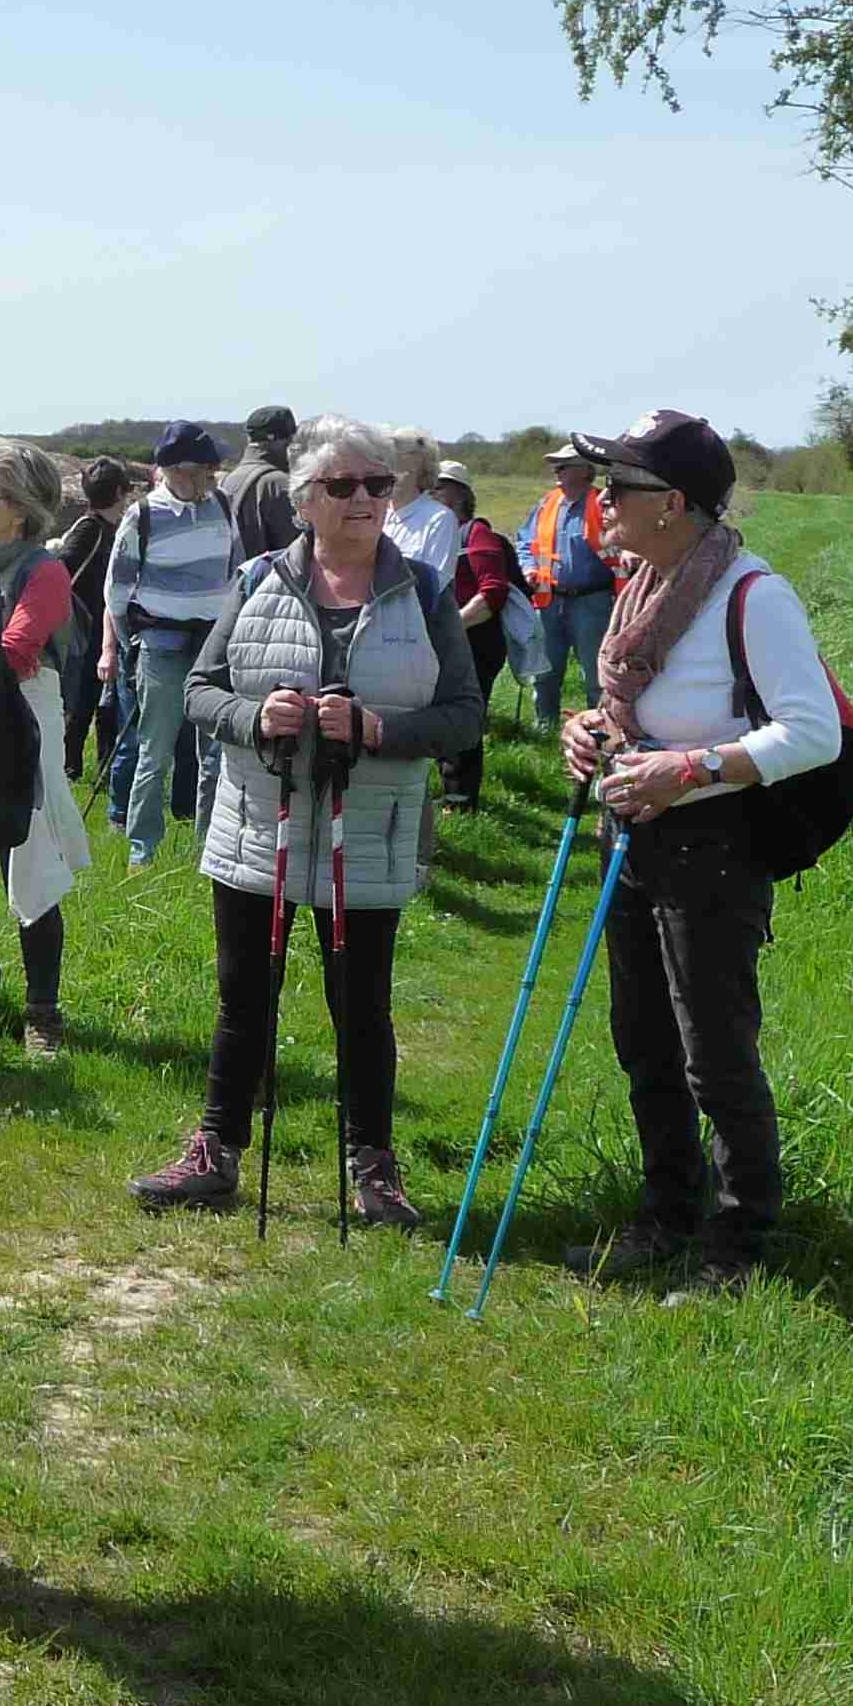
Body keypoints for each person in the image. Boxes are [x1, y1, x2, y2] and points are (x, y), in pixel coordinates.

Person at [127, 419, 482, 1225]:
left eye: (379, 485)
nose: (365, 500)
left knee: (362, 1006)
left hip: (372, 832)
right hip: (259, 828)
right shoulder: (254, 581)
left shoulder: (425, 591)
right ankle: (215, 1152)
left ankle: (373, 1167)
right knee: (242, 998)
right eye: (344, 486)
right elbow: (199, 692)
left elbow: (463, 716)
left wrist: (378, 729)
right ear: (304, 500)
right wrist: (258, 717)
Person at [558, 412, 841, 1300]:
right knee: (641, 1040)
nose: (600, 498)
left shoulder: (757, 596)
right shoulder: (645, 584)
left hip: (714, 845)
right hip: (633, 835)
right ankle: (666, 1213)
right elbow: (638, 705)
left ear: (673, 504)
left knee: (714, 1051)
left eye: (620, 486)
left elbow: (814, 732)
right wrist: (593, 730)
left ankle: (739, 1241)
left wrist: (693, 769)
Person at [0, 440, 86, 1057]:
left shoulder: (44, 570)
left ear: (20, 509)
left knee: (29, 865)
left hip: (22, 723)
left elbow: (15, 651)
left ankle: (42, 1012)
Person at [96, 421, 233, 867]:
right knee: (155, 749)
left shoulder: (224, 508)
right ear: (169, 470)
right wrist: (124, 641)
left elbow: (237, 572)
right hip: (162, 641)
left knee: (213, 751)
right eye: (194, 472)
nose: (202, 481)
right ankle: (142, 850)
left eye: (209, 471)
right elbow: (117, 590)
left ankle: (207, 848)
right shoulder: (144, 516)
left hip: (213, 642)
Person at [437, 469, 520, 811]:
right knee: (444, 717)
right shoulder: (440, 535)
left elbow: (493, 593)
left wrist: (452, 626)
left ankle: (461, 800)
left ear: (458, 495)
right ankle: (448, 793)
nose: (429, 494)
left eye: (437, 488)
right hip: (453, 640)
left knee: (463, 720)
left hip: (477, 643)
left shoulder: (477, 534)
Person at [520, 444, 620, 728]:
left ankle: (602, 733)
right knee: (545, 673)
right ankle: (545, 729)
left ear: (584, 471)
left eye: (563, 466)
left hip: (593, 603)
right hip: (548, 601)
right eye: (557, 466)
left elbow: (623, 547)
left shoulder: (604, 505)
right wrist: (528, 567)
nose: (557, 471)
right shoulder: (547, 503)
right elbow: (525, 542)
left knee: (596, 675)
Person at [52, 458, 132, 785]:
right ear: (118, 492)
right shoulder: (91, 528)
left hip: (103, 630)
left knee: (104, 705)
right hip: (87, 631)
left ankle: (101, 771)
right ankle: (69, 770)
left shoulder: (112, 528)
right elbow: (60, 569)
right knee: (83, 703)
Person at [219, 405, 299, 563]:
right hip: (272, 582)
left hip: (237, 583)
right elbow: (297, 552)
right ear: (286, 442)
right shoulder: (281, 484)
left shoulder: (226, 481)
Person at [384, 444, 463, 586]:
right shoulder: (377, 514)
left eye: (398, 469)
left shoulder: (440, 518)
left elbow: (436, 582)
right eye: (385, 468)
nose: (389, 476)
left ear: (421, 475)